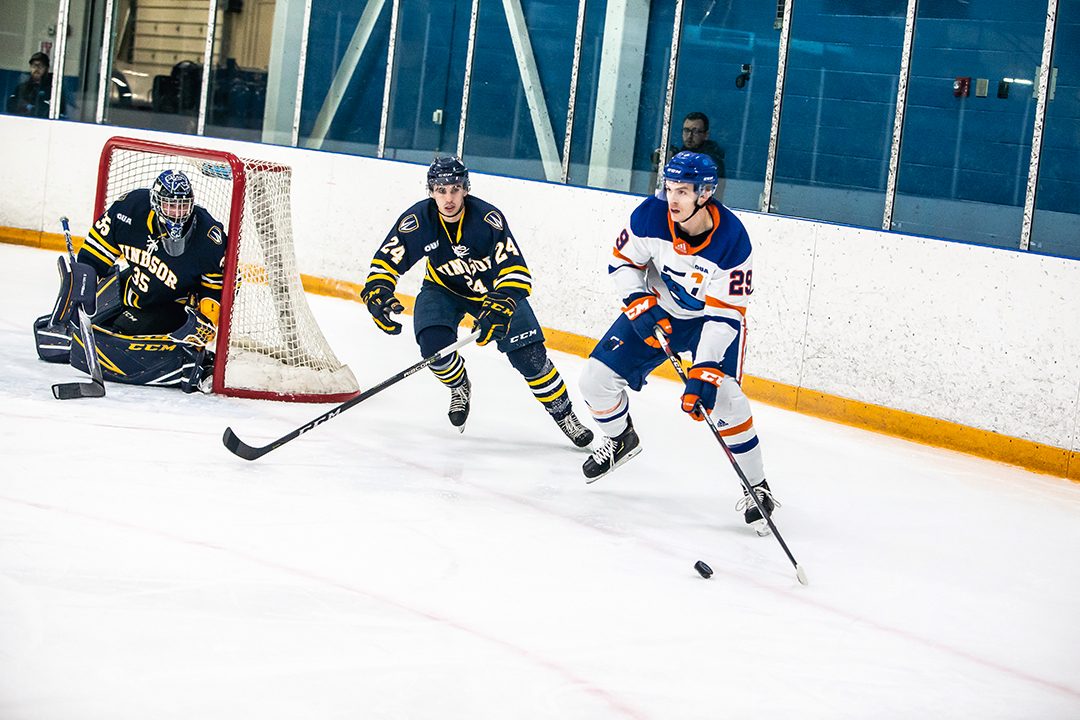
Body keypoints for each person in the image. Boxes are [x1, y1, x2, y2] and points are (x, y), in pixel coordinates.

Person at [577, 151, 778, 534]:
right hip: (660, 311)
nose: (672, 199)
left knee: (727, 401)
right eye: (669, 188)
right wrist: (637, 301)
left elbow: (725, 316)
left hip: (709, 323)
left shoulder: (732, 242)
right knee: (594, 382)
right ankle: (621, 440)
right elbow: (622, 262)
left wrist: (704, 369)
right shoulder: (650, 216)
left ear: (705, 193)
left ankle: (758, 487)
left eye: (683, 191)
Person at [360, 156, 594, 448]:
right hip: (443, 290)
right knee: (433, 347)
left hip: (495, 295)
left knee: (531, 359)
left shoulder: (486, 219)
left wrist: (502, 304)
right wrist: (378, 290)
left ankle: (565, 415)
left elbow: (515, 269)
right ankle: (459, 385)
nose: (448, 198)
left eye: (455, 189)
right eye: (441, 190)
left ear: (466, 189)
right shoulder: (419, 219)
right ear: (430, 191)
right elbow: (387, 260)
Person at [33, 169, 227, 392]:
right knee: (79, 320)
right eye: (170, 205)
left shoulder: (208, 235)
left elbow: (217, 288)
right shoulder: (130, 209)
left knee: (119, 332)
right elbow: (94, 254)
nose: (177, 213)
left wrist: (205, 321)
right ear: (155, 203)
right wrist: (83, 282)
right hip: (135, 288)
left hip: (172, 305)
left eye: (183, 206)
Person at [7, 52, 57, 118]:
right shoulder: (23, 87)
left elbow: (53, 111)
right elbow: (10, 105)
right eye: (34, 66)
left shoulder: (54, 89)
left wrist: (31, 108)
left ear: (47, 68)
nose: (36, 69)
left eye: (40, 66)